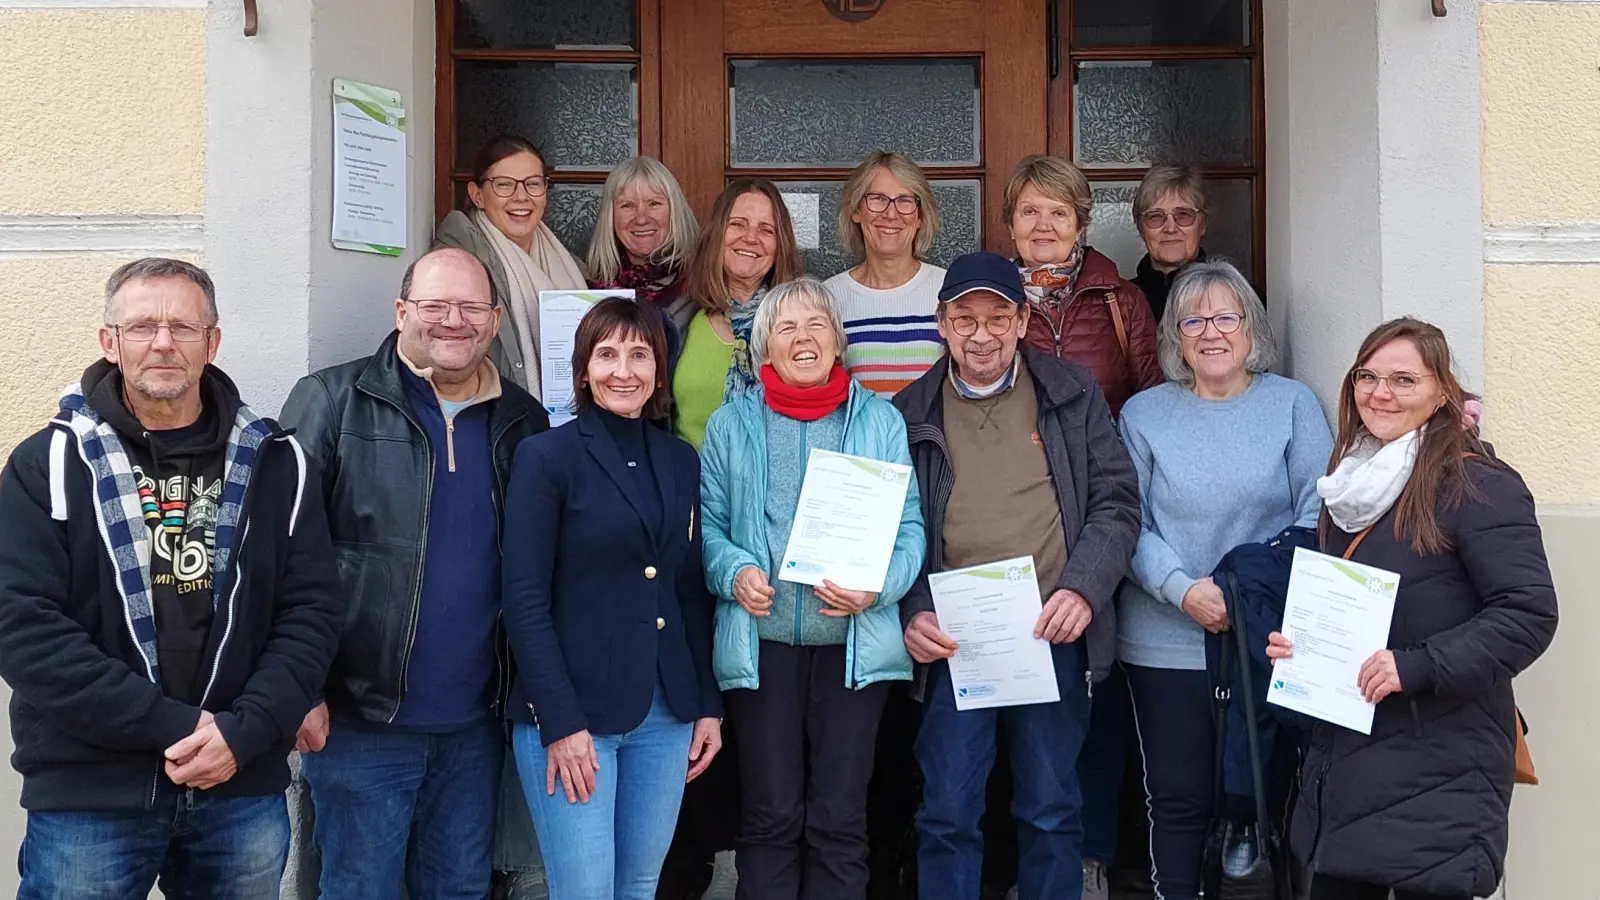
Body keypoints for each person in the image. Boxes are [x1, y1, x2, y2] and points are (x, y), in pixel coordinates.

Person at [0, 257, 343, 898]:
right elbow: (23, 630)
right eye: (142, 327)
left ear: (212, 342)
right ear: (109, 342)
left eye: (183, 327)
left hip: (239, 784)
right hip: (91, 792)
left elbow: (310, 613)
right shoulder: (47, 464)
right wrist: (177, 728)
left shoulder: (277, 463)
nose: (163, 343)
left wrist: (245, 730)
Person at [279, 247, 549, 900]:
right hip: (358, 722)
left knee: (459, 890)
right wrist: (297, 689)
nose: (453, 320)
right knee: (358, 891)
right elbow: (279, 556)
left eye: (471, 307)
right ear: (402, 312)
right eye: (435, 305)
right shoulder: (332, 402)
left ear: (495, 320)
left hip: (476, 728)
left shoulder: (522, 421)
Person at [1267, 318, 1558, 900]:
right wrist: (1302, 647)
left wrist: (1415, 666)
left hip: (1440, 764)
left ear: (1443, 391)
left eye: (1404, 380)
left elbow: (1528, 614)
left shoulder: (1478, 483)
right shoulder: (1349, 484)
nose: (1381, 393)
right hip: (1350, 762)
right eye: (1367, 377)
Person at [894, 252, 1141, 900]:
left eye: (997, 318)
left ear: (1023, 321)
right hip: (954, 640)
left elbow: (1117, 503)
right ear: (942, 324)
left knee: (1052, 809)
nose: (982, 335)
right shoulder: (909, 410)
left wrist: (1082, 590)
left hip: (1048, 630)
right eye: (965, 319)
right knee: (946, 813)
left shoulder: (1071, 392)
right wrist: (913, 610)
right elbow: (895, 528)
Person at [700, 277, 926, 900]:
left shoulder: (880, 420)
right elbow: (708, 528)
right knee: (770, 814)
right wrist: (735, 573)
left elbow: (909, 529)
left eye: (816, 324)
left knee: (840, 818)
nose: (803, 338)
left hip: (852, 648)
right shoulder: (730, 424)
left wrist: (876, 588)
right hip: (762, 647)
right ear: (765, 348)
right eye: (787, 327)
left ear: (838, 341)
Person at [1115, 260, 1332, 900]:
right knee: (1177, 799)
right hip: (1165, 640)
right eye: (1194, 321)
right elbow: (1127, 520)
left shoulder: (1292, 404)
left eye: (1226, 318)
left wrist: (1247, 592)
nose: (1211, 332)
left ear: (1251, 327)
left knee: (1256, 801)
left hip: (1264, 639)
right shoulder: (1142, 414)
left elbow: (1318, 514)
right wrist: (1183, 589)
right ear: (1175, 338)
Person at [501, 299, 723, 899]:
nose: (623, 371)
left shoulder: (679, 460)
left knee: (640, 886)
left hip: (666, 714)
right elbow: (524, 599)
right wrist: (560, 722)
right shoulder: (547, 458)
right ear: (583, 370)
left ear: (659, 371)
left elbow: (687, 589)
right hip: (575, 716)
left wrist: (706, 703)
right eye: (607, 355)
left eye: (639, 355)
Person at [1006, 154, 1162, 418]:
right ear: (1011, 225)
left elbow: (1153, 402)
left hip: (1103, 445)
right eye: (1030, 212)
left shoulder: (1124, 301)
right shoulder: (994, 301)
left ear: (1079, 226)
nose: (1043, 226)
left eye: (1058, 213)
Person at [436, 134, 587, 398]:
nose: (521, 197)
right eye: (504, 185)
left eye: (533, 184)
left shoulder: (573, 267)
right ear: (477, 195)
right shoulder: (456, 263)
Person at [672, 177, 804, 450]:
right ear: (717, 233)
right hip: (690, 475)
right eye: (738, 224)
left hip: (772, 475)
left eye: (766, 230)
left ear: (780, 245)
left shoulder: (801, 323)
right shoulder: (679, 318)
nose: (751, 238)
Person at [824, 151, 946, 398]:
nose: (891, 214)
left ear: (920, 216)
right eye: (878, 199)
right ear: (856, 211)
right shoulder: (828, 298)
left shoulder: (947, 289)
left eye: (905, 200)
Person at [585, 156, 700, 356]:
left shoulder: (702, 287)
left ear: (674, 211)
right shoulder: (586, 288)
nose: (641, 218)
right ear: (610, 216)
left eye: (654, 203)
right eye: (627, 206)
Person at [1130, 164, 1211, 324]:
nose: (1170, 228)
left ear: (1202, 224)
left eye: (1183, 215)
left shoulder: (1237, 296)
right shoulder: (1120, 303)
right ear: (1140, 227)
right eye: (1155, 216)